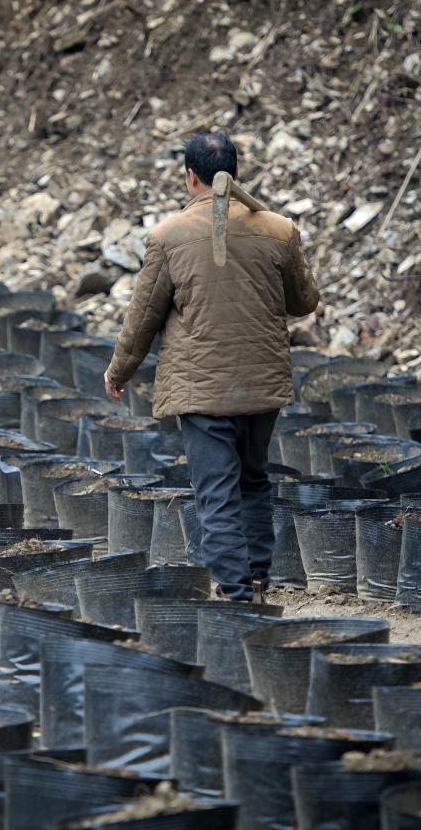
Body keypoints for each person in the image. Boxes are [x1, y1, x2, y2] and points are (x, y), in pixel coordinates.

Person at [103, 131, 320, 599]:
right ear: (237, 173)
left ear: (189, 176)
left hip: (201, 389)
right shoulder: (279, 230)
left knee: (216, 491)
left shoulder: (168, 237)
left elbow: (143, 318)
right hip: (262, 382)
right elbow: (304, 302)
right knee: (253, 479)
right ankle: (259, 573)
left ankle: (235, 592)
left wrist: (119, 371)